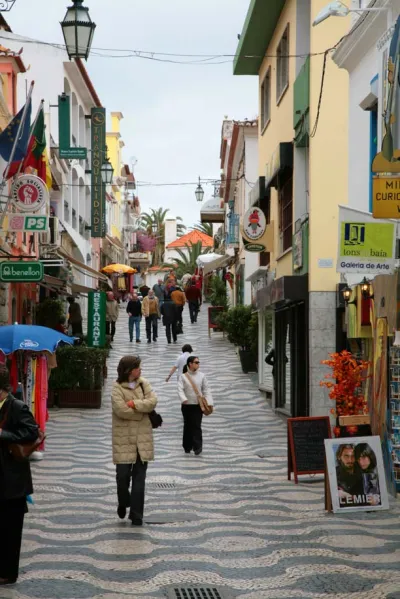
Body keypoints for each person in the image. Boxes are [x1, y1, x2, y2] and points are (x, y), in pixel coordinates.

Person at [0, 365, 39, 585]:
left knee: (11, 529)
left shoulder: (16, 407)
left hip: (12, 479)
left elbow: (32, 431)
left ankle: (8, 572)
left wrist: (3, 434)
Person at [112, 356, 157, 526]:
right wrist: (141, 409)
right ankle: (123, 501)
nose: (140, 370)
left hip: (143, 439)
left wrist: (134, 404)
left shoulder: (144, 383)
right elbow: (121, 410)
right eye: (138, 367)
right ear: (129, 370)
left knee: (140, 479)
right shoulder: (117, 388)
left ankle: (137, 514)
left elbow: (152, 402)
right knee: (122, 477)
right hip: (123, 439)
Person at [177, 356, 213, 455]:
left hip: (198, 405)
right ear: (190, 364)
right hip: (187, 405)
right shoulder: (183, 376)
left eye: (198, 362)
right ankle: (187, 446)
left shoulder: (202, 376)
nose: (198, 364)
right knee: (187, 425)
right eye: (196, 362)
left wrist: (209, 402)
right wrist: (183, 399)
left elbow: (206, 389)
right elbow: (180, 389)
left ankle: (197, 447)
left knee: (197, 425)